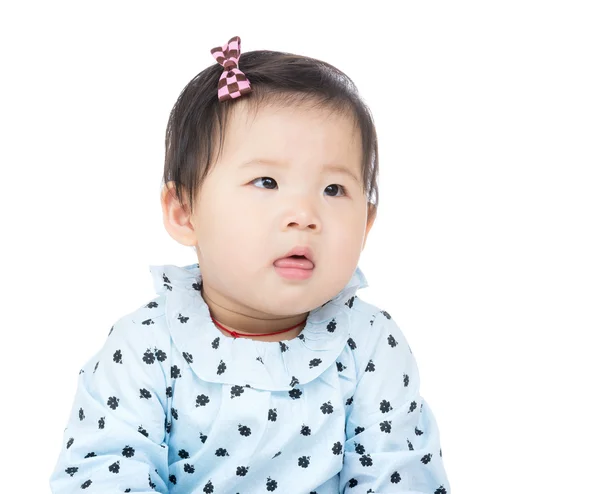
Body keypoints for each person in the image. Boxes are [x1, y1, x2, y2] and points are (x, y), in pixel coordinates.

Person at [49, 36, 451, 493]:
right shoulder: (145, 348)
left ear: (367, 222)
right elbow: (103, 471)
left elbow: (401, 472)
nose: (304, 215)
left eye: (334, 190)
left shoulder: (369, 345)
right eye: (267, 182)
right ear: (185, 213)